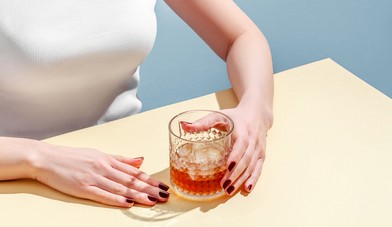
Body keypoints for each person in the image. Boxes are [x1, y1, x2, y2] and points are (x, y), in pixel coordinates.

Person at [0, 0, 273, 208]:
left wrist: (255, 108)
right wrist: (39, 159)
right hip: (17, 188)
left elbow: (241, 36)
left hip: (129, 177)